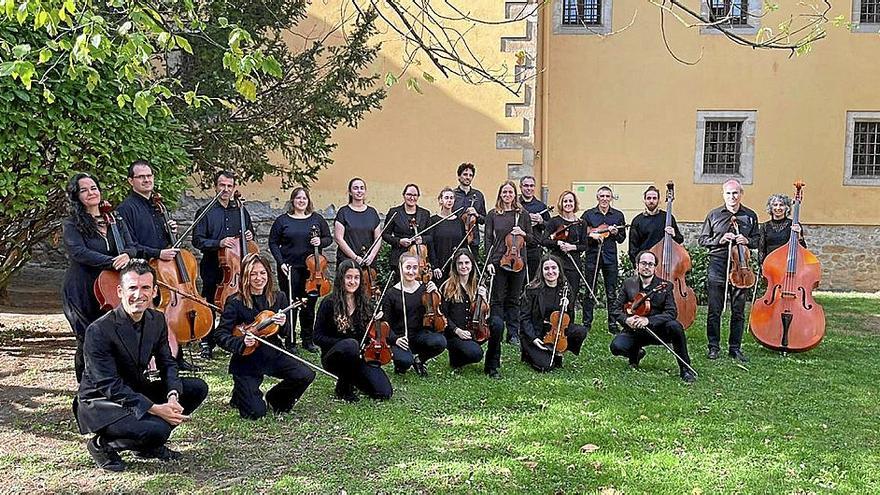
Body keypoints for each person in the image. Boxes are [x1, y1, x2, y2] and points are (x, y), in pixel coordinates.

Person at [75, 259, 208, 472]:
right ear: (120, 291)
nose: (139, 294)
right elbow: (108, 384)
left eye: (146, 287)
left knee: (196, 388)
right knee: (158, 429)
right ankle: (103, 444)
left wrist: (172, 395)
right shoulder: (98, 330)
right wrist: (156, 409)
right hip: (102, 401)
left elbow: (168, 363)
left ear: (155, 290)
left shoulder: (157, 319)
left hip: (136, 388)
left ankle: (147, 446)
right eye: (132, 288)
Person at [116, 160, 198, 371]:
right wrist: (157, 253)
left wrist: (171, 231)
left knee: (168, 313)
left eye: (149, 176)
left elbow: (165, 240)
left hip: (165, 268)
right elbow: (131, 244)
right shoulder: (126, 208)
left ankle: (176, 356)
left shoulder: (157, 206)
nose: (147, 180)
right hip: (145, 267)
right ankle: (155, 359)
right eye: (141, 177)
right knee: (155, 315)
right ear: (131, 181)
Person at [214, 254, 316, 419]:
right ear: (246, 276)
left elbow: (286, 334)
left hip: (272, 352)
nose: (258, 278)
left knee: (305, 374)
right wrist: (241, 341)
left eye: (262, 273)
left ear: (268, 274)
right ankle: (240, 393)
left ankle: (275, 398)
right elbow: (220, 334)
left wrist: (283, 324)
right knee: (255, 413)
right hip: (247, 359)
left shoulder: (279, 297)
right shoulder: (235, 301)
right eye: (253, 274)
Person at [62, 172, 136, 382]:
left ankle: (112, 385)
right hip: (81, 289)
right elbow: (78, 252)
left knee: (112, 337)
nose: (90, 192)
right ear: (77, 196)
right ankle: (86, 387)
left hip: (110, 287)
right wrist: (111, 261)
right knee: (87, 339)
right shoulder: (71, 223)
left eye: (93, 188)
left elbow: (131, 246)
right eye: (84, 190)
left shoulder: (114, 219)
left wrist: (126, 255)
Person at [191, 170, 254, 359]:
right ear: (215, 187)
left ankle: (236, 339)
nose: (225, 189)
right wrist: (218, 243)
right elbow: (197, 240)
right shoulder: (205, 212)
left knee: (239, 304)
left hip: (237, 269)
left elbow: (249, 237)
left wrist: (249, 235)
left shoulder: (241, 211)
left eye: (229, 186)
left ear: (234, 188)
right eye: (222, 185)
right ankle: (206, 343)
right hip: (213, 266)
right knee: (210, 302)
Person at [609, 251, 696, 383]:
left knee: (676, 326)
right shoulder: (629, 284)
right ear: (637, 265)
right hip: (635, 330)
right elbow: (615, 308)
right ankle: (636, 354)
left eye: (651, 264)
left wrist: (648, 320)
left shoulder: (665, 286)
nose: (647, 267)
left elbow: (671, 313)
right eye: (643, 263)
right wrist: (626, 319)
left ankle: (685, 369)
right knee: (616, 346)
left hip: (658, 330)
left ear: (655, 267)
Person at [313, 259, 393, 402]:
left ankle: (353, 379)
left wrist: (378, 321)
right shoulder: (329, 303)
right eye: (348, 277)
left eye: (356, 278)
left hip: (359, 358)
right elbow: (317, 337)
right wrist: (345, 343)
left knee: (383, 392)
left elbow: (372, 334)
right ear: (341, 278)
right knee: (350, 345)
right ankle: (343, 388)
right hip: (334, 357)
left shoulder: (365, 303)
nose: (352, 282)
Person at [698, 179, 760, 362]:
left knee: (738, 310)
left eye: (735, 193)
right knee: (714, 309)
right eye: (728, 193)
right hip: (718, 263)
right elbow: (702, 240)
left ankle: (735, 348)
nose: (732, 196)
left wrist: (747, 240)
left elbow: (757, 240)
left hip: (741, 266)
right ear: (723, 194)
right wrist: (720, 239)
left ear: (741, 194)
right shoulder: (714, 215)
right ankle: (713, 347)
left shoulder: (750, 216)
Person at [268, 187, 331, 354]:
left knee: (309, 305)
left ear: (308, 201)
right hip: (289, 268)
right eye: (298, 198)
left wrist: (320, 242)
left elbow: (328, 238)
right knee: (291, 304)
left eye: (304, 198)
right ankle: (290, 340)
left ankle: (307, 339)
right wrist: (280, 262)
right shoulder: (282, 220)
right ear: (292, 201)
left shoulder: (317, 219)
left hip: (312, 271)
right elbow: (273, 242)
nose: (301, 201)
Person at [519, 255, 588, 372]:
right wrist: (534, 339)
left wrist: (568, 306)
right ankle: (529, 353)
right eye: (546, 269)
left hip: (556, 331)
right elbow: (524, 318)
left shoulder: (565, 289)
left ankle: (559, 351)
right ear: (541, 271)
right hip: (537, 333)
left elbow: (569, 320)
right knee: (546, 367)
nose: (550, 272)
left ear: (559, 270)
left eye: (553, 268)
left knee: (580, 331)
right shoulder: (532, 289)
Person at [439, 249, 503, 376]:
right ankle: (456, 358)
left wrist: (483, 298)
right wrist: (457, 330)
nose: (464, 266)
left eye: (467, 263)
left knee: (497, 323)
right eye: (460, 263)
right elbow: (442, 315)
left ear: (472, 265)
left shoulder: (477, 284)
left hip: (475, 329)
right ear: (455, 266)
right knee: (476, 354)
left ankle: (492, 367)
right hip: (456, 334)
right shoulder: (447, 287)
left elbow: (486, 313)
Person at [485, 181, 534, 346]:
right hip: (499, 261)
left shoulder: (523, 214)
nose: (507, 195)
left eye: (510, 192)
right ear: (500, 194)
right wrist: (490, 261)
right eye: (504, 192)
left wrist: (523, 233)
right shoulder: (493, 214)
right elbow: (488, 240)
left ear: (515, 195)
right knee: (497, 298)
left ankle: (513, 333)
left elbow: (532, 239)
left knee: (514, 298)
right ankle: (497, 330)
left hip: (519, 262)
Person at [383, 253, 447, 376]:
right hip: (401, 338)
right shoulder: (392, 293)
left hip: (420, 335)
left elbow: (438, 311)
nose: (411, 271)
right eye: (408, 267)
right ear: (400, 267)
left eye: (414, 268)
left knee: (440, 342)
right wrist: (395, 339)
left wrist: (435, 293)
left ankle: (420, 360)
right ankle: (402, 363)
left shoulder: (425, 289)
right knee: (405, 361)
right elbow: (385, 322)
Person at [581, 186, 627, 334]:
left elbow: (621, 239)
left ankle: (612, 324)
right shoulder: (588, 215)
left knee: (611, 292)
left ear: (611, 198)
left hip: (610, 257)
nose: (605, 199)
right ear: (597, 197)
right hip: (592, 256)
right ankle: (586, 323)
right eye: (602, 196)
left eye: (608, 196)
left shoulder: (618, 216)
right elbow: (581, 235)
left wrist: (615, 233)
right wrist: (591, 236)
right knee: (590, 290)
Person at [541, 190, 587, 302]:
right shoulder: (554, 221)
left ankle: (569, 319)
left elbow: (584, 246)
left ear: (575, 203)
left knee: (572, 295)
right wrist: (558, 243)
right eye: (565, 201)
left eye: (570, 201)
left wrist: (572, 247)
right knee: (556, 295)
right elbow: (544, 241)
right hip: (557, 264)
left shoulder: (581, 223)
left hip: (573, 264)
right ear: (561, 204)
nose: (568, 204)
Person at [382, 183, 433, 275]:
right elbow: (385, 235)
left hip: (420, 257)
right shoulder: (394, 212)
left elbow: (431, 236)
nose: (412, 198)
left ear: (418, 197)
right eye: (409, 194)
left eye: (415, 195)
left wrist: (422, 239)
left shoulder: (425, 213)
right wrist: (399, 241)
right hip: (399, 256)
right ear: (404, 195)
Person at [628, 186, 684, 266]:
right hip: (646, 264)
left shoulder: (667, 217)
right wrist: (637, 265)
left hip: (665, 263)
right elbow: (633, 248)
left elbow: (679, 240)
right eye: (649, 198)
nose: (651, 201)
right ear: (644, 200)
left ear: (659, 200)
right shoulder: (637, 221)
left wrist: (674, 234)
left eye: (654, 198)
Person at [333, 177, 382, 269]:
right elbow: (338, 238)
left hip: (368, 261)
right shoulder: (343, 212)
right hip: (347, 260)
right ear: (350, 192)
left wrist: (371, 256)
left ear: (365, 191)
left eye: (362, 188)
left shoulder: (372, 212)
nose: (359, 191)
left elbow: (378, 238)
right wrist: (355, 257)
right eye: (355, 188)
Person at [429, 187, 468, 281]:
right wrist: (434, 266)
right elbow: (430, 245)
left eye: (451, 198)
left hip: (455, 266)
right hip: (439, 266)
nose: (449, 200)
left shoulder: (459, 221)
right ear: (440, 200)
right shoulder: (433, 220)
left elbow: (464, 244)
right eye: (446, 198)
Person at [519, 176, 551, 282]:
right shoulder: (515, 204)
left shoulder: (541, 206)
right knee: (518, 280)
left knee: (534, 280)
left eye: (531, 186)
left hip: (534, 249)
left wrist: (541, 221)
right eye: (526, 185)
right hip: (516, 248)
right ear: (520, 187)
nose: (529, 188)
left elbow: (549, 227)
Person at [758, 193, 806, 262]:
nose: (778, 208)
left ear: (787, 208)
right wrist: (762, 264)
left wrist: (799, 236)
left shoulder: (794, 224)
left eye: (781, 205)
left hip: (788, 263)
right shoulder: (765, 226)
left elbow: (803, 248)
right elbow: (761, 249)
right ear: (770, 208)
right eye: (775, 205)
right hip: (771, 263)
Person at [452, 163, 488, 255]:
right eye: (465, 174)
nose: (468, 177)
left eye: (470, 175)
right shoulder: (453, 195)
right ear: (459, 176)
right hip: (456, 236)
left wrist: (476, 214)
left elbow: (484, 219)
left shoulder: (478, 195)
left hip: (473, 238)